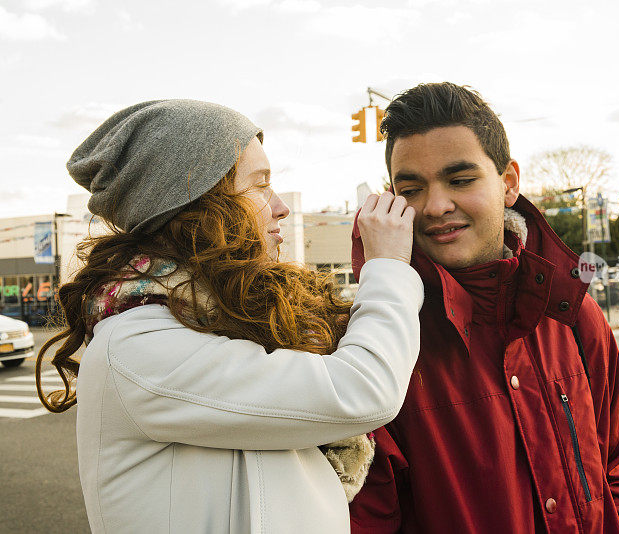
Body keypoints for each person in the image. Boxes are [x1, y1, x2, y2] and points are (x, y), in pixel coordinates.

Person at [35, 99, 423, 533]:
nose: (280, 207)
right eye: (259, 185)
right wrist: (388, 267)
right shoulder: (139, 346)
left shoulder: (232, 322)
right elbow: (362, 390)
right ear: (198, 206)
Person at [349, 83, 619, 533]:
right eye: (411, 189)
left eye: (461, 180)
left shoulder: (572, 315)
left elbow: (612, 470)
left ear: (509, 183)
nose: (436, 206)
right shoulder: (380, 344)